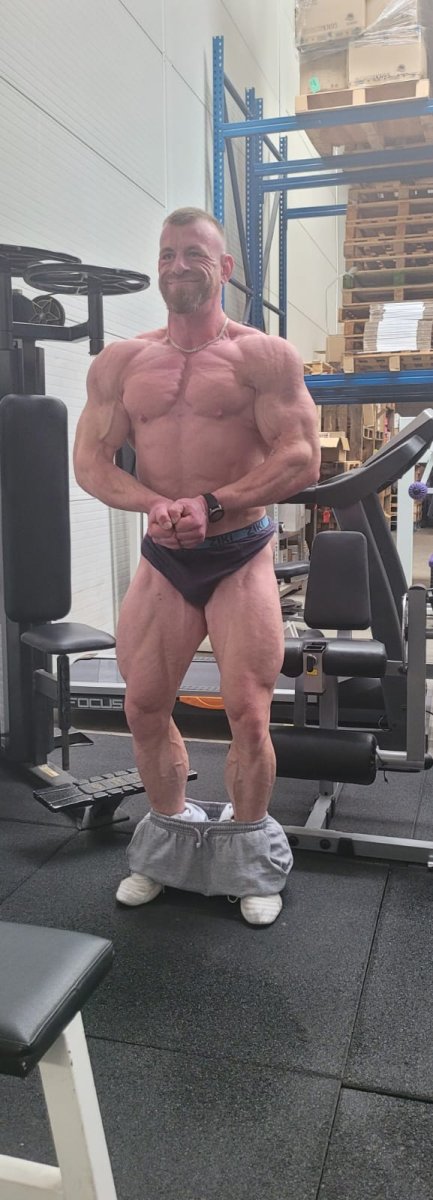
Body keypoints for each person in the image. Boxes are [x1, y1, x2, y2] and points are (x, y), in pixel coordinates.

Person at [73, 206, 320, 926]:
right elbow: (90, 462)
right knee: (144, 706)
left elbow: (300, 457)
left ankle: (249, 864)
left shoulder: (263, 357)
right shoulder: (122, 363)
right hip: (165, 556)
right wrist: (153, 503)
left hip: (239, 553)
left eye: (194, 254)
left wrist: (214, 504)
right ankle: (166, 849)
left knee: (247, 712)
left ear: (225, 268)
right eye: (167, 254)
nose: (178, 266)